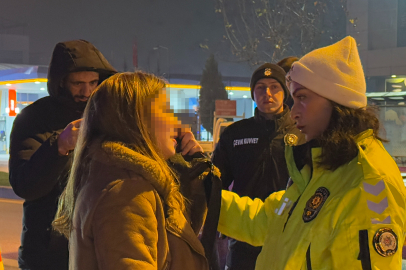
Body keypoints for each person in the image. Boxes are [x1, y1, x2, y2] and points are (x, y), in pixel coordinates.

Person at [217, 36, 406, 269]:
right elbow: (263, 222)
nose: (293, 112)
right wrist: (199, 189)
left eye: (302, 98)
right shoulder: (320, 166)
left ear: (336, 100)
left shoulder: (370, 182)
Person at [53, 72, 210, 270]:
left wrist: (190, 170)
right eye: (166, 111)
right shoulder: (126, 193)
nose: (177, 123)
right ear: (137, 123)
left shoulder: (121, 179)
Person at [9, 40, 117, 270]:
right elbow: (24, 185)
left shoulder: (108, 117)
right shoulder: (34, 118)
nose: (86, 91)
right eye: (78, 83)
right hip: (47, 254)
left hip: (97, 250)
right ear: (61, 82)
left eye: (93, 83)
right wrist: (58, 146)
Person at [211, 63, 304, 270]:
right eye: (260, 87)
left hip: (289, 237)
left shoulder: (302, 133)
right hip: (244, 239)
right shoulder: (235, 134)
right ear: (253, 93)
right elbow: (215, 182)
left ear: (285, 91)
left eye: (274, 87)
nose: (267, 93)